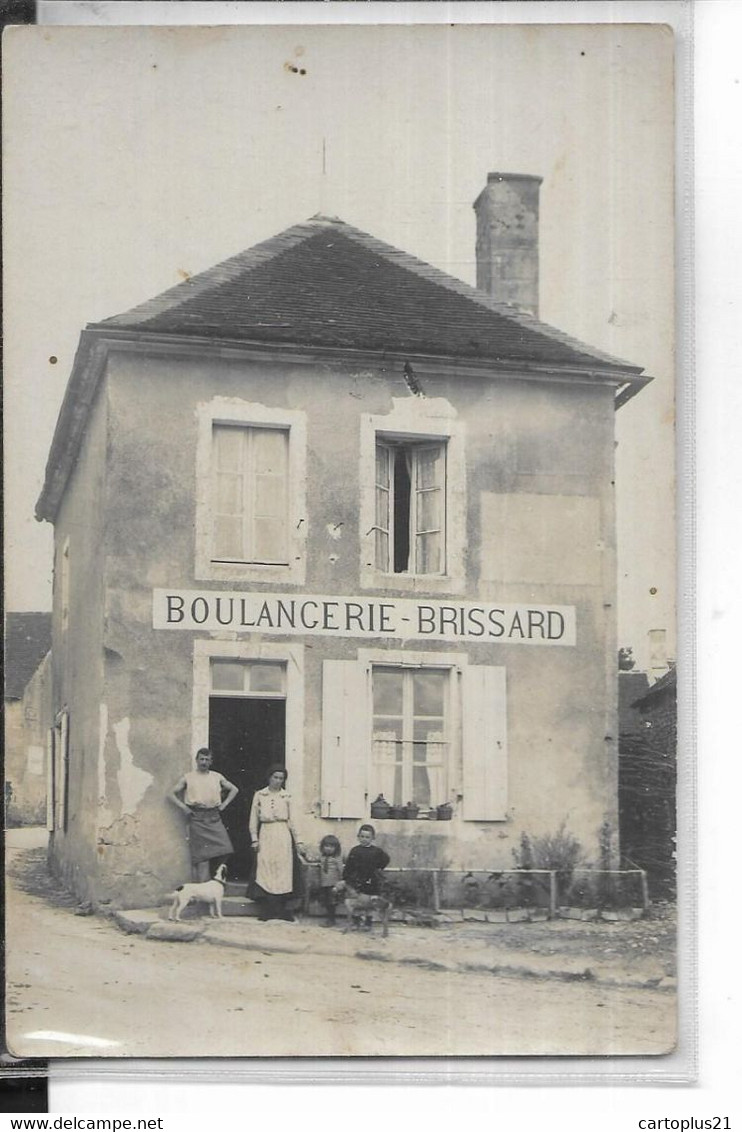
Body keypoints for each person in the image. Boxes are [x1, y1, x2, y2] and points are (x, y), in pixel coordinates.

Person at [169, 748, 238, 882]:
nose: (204, 762)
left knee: (226, 848)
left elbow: (234, 789)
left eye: (207, 759)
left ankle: (216, 881)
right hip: (197, 818)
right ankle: (203, 892)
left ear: (211, 762)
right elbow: (170, 794)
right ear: (196, 760)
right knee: (202, 858)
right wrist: (183, 807)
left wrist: (224, 804)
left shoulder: (217, 776)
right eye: (201, 759)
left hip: (214, 817)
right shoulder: (188, 777)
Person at [248, 765, 302, 922]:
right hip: (266, 832)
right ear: (269, 777)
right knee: (266, 868)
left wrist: (298, 840)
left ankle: (284, 910)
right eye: (275, 777)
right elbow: (253, 819)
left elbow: (294, 820)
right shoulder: (260, 795)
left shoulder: (287, 797)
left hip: (282, 832)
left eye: (281, 778)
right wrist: (254, 838)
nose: (278, 781)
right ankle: (268, 910)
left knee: (283, 868)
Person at [342, 824, 390, 929]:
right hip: (358, 880)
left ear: (373, 838)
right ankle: (356, 921)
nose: (364, 839)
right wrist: (346, 878)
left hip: (372, 881)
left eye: (367, 837)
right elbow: (349, 865)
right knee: (357, 900)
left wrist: (379, 868)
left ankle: (368, 922)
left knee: (370, 902)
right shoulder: (355, 850)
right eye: (362, 836)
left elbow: (385, 859)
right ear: (358, 837)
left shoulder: (376, 851)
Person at [316, 834, 343, 926]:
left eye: (331, 847)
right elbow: (319, 864)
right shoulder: (322, 857)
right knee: (326, 901)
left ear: (336, 848)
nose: (328, 849)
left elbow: (341, 870)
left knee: (332, 902)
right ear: (322, 847)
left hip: (333, 884)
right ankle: (328, 918)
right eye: (326, 846)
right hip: (324, 884)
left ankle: (331, 920)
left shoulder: (337, 858)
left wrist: (340, 883)